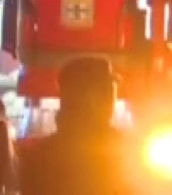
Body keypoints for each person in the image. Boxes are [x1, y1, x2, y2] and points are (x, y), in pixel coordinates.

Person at [17, 56, 130, 194]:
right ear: (89, 97)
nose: (112, 99)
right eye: (107, 91)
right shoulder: (126, 154)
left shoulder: (40, 158)